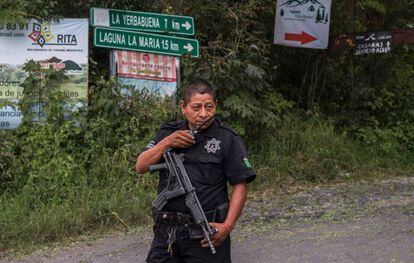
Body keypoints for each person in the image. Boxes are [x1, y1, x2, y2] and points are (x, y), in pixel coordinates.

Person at [135, 79, 256, 263]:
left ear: (216, 105)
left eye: (209, 107)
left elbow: (240, 184)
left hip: (205, 234)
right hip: (166, 233)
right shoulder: (169, 132)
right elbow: (141, 166)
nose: (204, 114)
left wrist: (227, 226)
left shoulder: (226, 138)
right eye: (197, 107)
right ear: (183, 107)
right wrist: (168, 142)